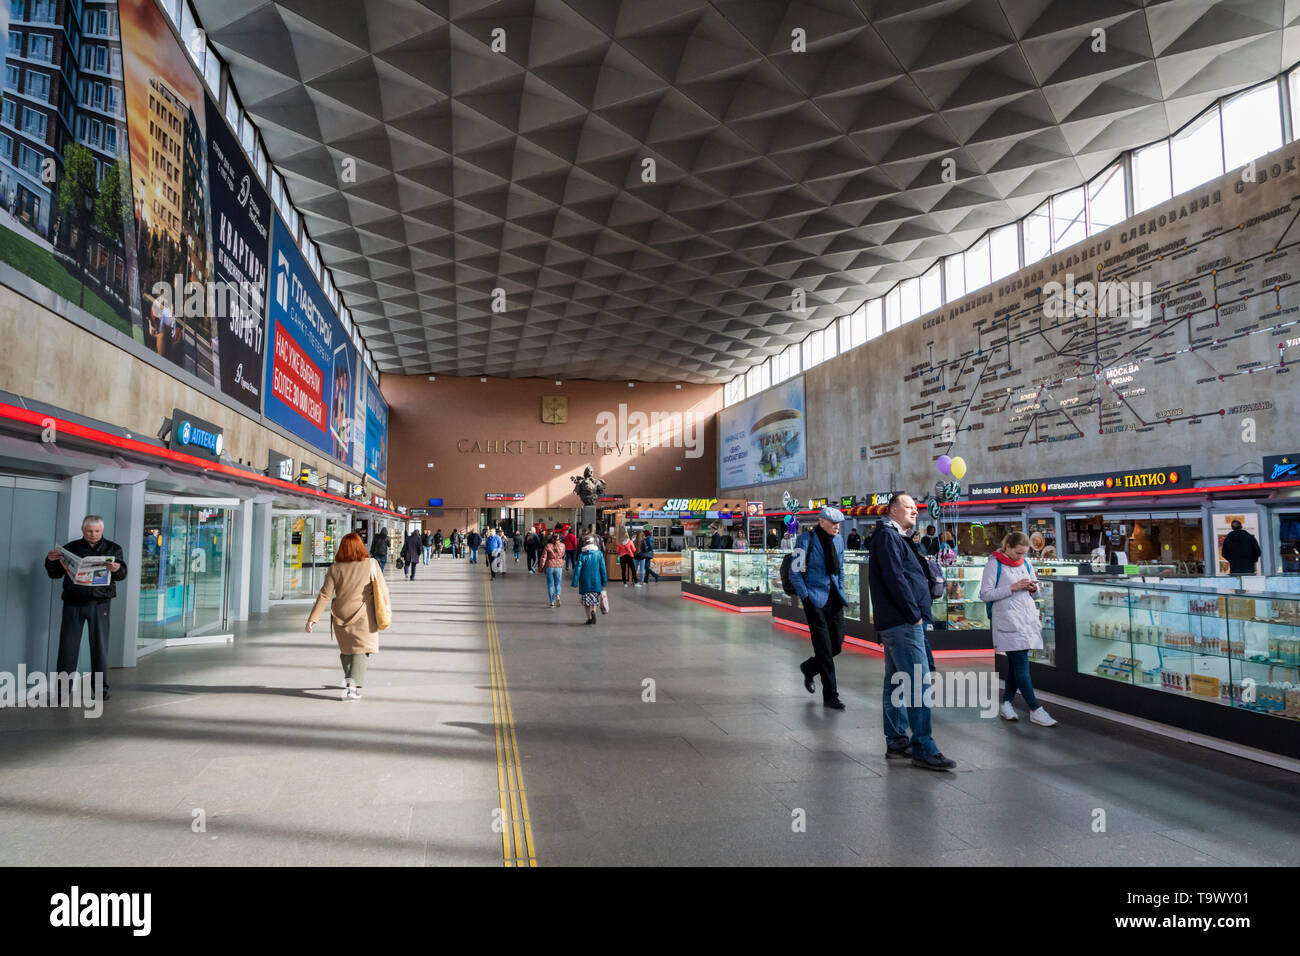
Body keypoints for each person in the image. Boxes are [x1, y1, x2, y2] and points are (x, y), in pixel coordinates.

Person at [868, 493, 956, 771]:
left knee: (895, 681)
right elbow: (895, 578)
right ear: (893, 511)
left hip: (899, 622)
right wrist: (913, 614)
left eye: (916, 509)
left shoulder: (898, 537)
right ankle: (923, 746)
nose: (915, 512)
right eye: (908, 508)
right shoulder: (887, 537)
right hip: (903, 623)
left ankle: (896, 739)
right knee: (918, 682)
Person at [44, 515, 126, 702]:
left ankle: (100, 691)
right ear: (83, 530)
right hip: (73, 603)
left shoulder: (113, 549)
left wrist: (116, 569)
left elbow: (122, 574)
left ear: (102, 530)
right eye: (89, 531)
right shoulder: (70, 548)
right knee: (67, 648)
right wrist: (50, 560)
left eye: (97, 531)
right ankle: (62, 692)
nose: (93, 534)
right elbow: (55, 574)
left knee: (100, 648)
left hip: (100, 604)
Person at [981, 531, 1057, 727]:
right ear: (1007, 547)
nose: (1020, 557)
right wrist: (1012, 587)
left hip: (1026, 620)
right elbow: (985, 594)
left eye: (1024, 553)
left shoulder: (1026, 563)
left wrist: (1032, 588)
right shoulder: (993, 564)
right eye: (1017, 553)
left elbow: (1035, 593)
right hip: (1008, 621)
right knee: (1021, 664)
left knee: (1016, 665)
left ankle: (1006, 703)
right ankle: (1035, 709)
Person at [306, 532, 390, 701]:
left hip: (340, 614)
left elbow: (324, 595)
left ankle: (350, 680)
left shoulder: (335, 568)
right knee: (362, 649)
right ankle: (352, 688)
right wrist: (386, 609)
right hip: (364, 614)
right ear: (361, 546)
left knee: (347, 650)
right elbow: (382, 589)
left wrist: (312, 619)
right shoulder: (371, 564)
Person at [791, 506, 849, 710]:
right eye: (833, 523)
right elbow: (795, 572)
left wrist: (840, 588)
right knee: (824, 649)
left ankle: (809, 667)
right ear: (822, 522)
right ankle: (831, 696)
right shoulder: (805, 540)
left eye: (839, 523)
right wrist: (805, 596)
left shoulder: (839, 541)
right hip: (814, 600)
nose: (837, 527)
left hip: (834, 600)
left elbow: (840, 568)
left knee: (837, 645)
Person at [572, 535, 608, 626]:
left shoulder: (581, 555)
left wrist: (575, 582)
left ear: (584, 544)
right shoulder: (599, 554)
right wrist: (604, 581)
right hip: (596, 581)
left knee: (586, 601)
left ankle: (588, 618)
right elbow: (603, 568)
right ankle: (594, 611)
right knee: (595, 600)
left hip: (585, 582)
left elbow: (577, 570)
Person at [542, 532, 565, 608]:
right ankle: (558, 595)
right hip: (559, 566)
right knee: (558, 583)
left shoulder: (548, 546)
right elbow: (563, 555)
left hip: (550, 566)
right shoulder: (562, 546)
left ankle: (552, 601)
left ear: (552, 539)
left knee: (550, 584)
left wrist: (541, 567)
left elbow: (544, 557)